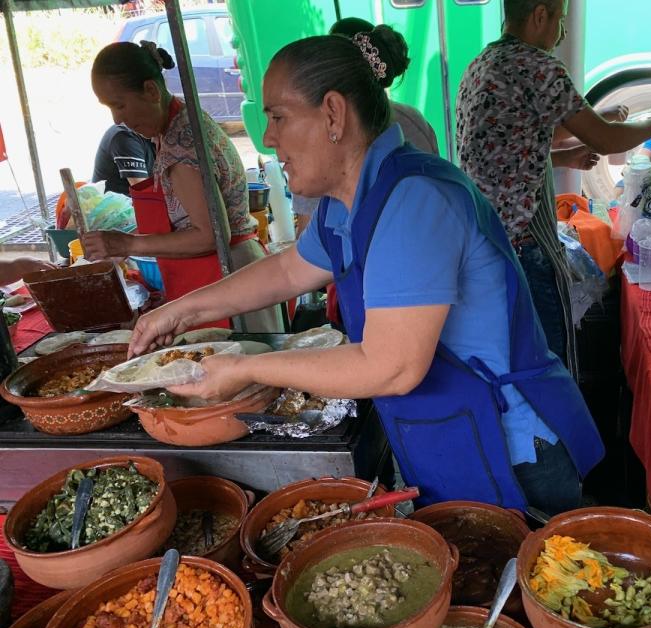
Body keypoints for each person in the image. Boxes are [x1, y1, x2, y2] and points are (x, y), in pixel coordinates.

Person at [127, 27, 604, 514]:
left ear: (333, 114)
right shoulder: (346, 202)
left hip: (513, 447)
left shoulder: (415, 201)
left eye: (278, 116)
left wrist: (242, 369)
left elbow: (390, 366)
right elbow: (290, 271)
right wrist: (181, 312)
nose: (268, 139)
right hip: (450, 429)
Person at [456, 0, 651, 370]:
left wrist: (570, 152)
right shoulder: (538, 66)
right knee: (547, 361)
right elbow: (608, 140)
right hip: (523, 243)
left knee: (511, 356)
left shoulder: (481, 65)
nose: (561, 32)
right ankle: (555, 427)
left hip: (483, 238)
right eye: (560, 20)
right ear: (539, 14)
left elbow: (513, 140)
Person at [83, 41, 281, 331]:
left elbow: (211, 236)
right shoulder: (178, 124)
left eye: (119, 104)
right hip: (230, 274)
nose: (117, 119)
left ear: (151, 91)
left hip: (228, 274)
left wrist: (128, 243)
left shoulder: (181, 145)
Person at [291, 17, 439, 238]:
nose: (269, 138)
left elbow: (307, 240)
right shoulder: (414, 120)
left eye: (279, 117)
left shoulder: (318, 140)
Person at [91, 123, 155, 196]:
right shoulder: (125, 136)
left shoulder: (160, 136)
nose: (116, 120)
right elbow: (145, 194)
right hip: (114, 204)